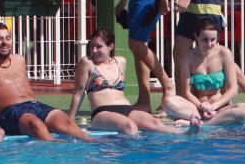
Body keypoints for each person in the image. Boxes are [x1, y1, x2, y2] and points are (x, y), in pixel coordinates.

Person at [0, 23, 93, 142]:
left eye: (8, 38)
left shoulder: (19, 59)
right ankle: (56, 150)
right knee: (36, 125)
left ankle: (93, 144)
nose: (5, 42)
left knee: (66, 122)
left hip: (36, 105)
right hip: (10, 113)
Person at [68, 27, 200, 136]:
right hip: (102, 112)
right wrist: (71, 120)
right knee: (130, 126)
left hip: (126, 109)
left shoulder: (121, 62)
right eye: (92, 46)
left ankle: (186, 133)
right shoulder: (87, 63)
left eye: (98, 46)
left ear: (110, 46)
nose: (94, 50)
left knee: (154, 123)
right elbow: (79, 92)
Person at [163, 18, 245, 125]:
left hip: (220, 109)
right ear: (196, 36)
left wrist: (213, 107)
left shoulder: (224, 53)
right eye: (205, 39)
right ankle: (205, 120)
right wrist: (202, 106)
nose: (209, 44)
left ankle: (203, 124)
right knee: (168, 102)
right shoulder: (188, 58)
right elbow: (186, 92)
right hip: (197, 108)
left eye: (213, 40)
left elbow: (233, 89)